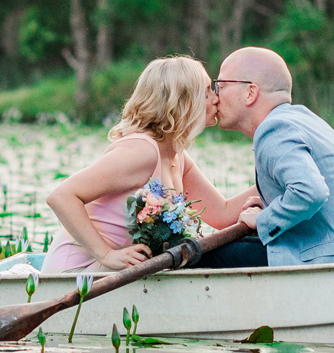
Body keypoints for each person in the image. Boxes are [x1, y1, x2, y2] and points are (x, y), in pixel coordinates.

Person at [41, 56, 261, 273]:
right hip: (79, 273)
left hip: (123, 273)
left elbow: (222, 214)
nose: (216, 98)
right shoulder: (143, 151)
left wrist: (280, 181)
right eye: (206, 92)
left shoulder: (177, 154)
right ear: (182, 102)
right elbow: (61, 197)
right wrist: (107, 254)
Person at [196, 47, 334, 268]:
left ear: (250, 93)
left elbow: (311, 192)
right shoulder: (304, 120)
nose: (216, 96)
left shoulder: (274, 128)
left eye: (221, 86)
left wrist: (264, 220)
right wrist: (269, 202)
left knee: (201, 258)